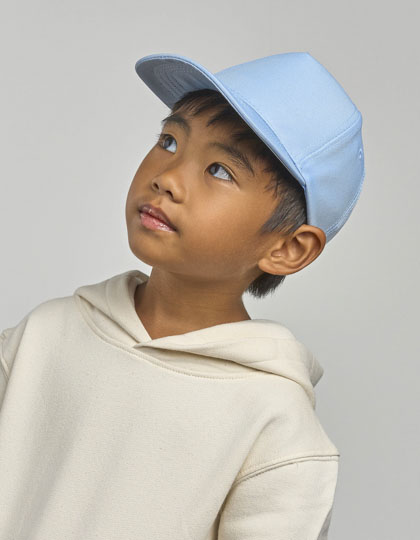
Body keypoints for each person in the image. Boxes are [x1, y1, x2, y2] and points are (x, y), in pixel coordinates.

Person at [0, 52, 365, 539]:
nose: (166, 178)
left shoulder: (275, 424)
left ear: (288, 248)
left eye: (220, 171)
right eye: (169, 141)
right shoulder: (45, 335)